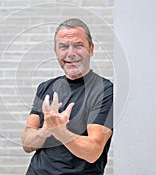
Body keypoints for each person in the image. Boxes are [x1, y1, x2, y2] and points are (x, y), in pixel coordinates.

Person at [22, 18, 113, 174]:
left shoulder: (104, 90)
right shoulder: (45, 88)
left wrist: (59, 131)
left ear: (91, 49)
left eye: (78, 45)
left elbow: (93, 151)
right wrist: (45, 130)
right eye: (63, 47)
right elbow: (27, 143)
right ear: (56, 52)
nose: (70, 53)